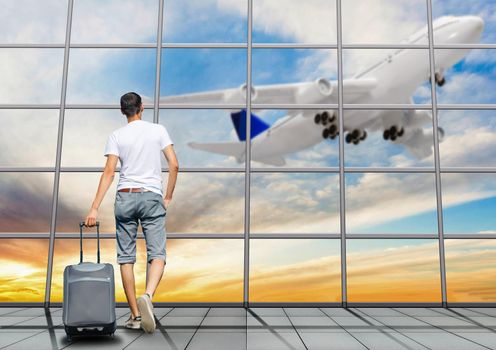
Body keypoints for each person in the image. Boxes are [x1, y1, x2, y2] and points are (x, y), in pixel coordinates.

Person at [84, 92, 179, 333]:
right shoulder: (158, 130)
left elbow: (109, 172)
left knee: (126, 257)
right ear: (142, 107)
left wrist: (94, 206)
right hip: (151, 196)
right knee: (157, 252)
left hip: (125, 196)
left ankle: (136, 316)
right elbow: (174, 164)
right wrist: (167, 196)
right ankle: (147, 295)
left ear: (122, 110)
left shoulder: (116, 135)